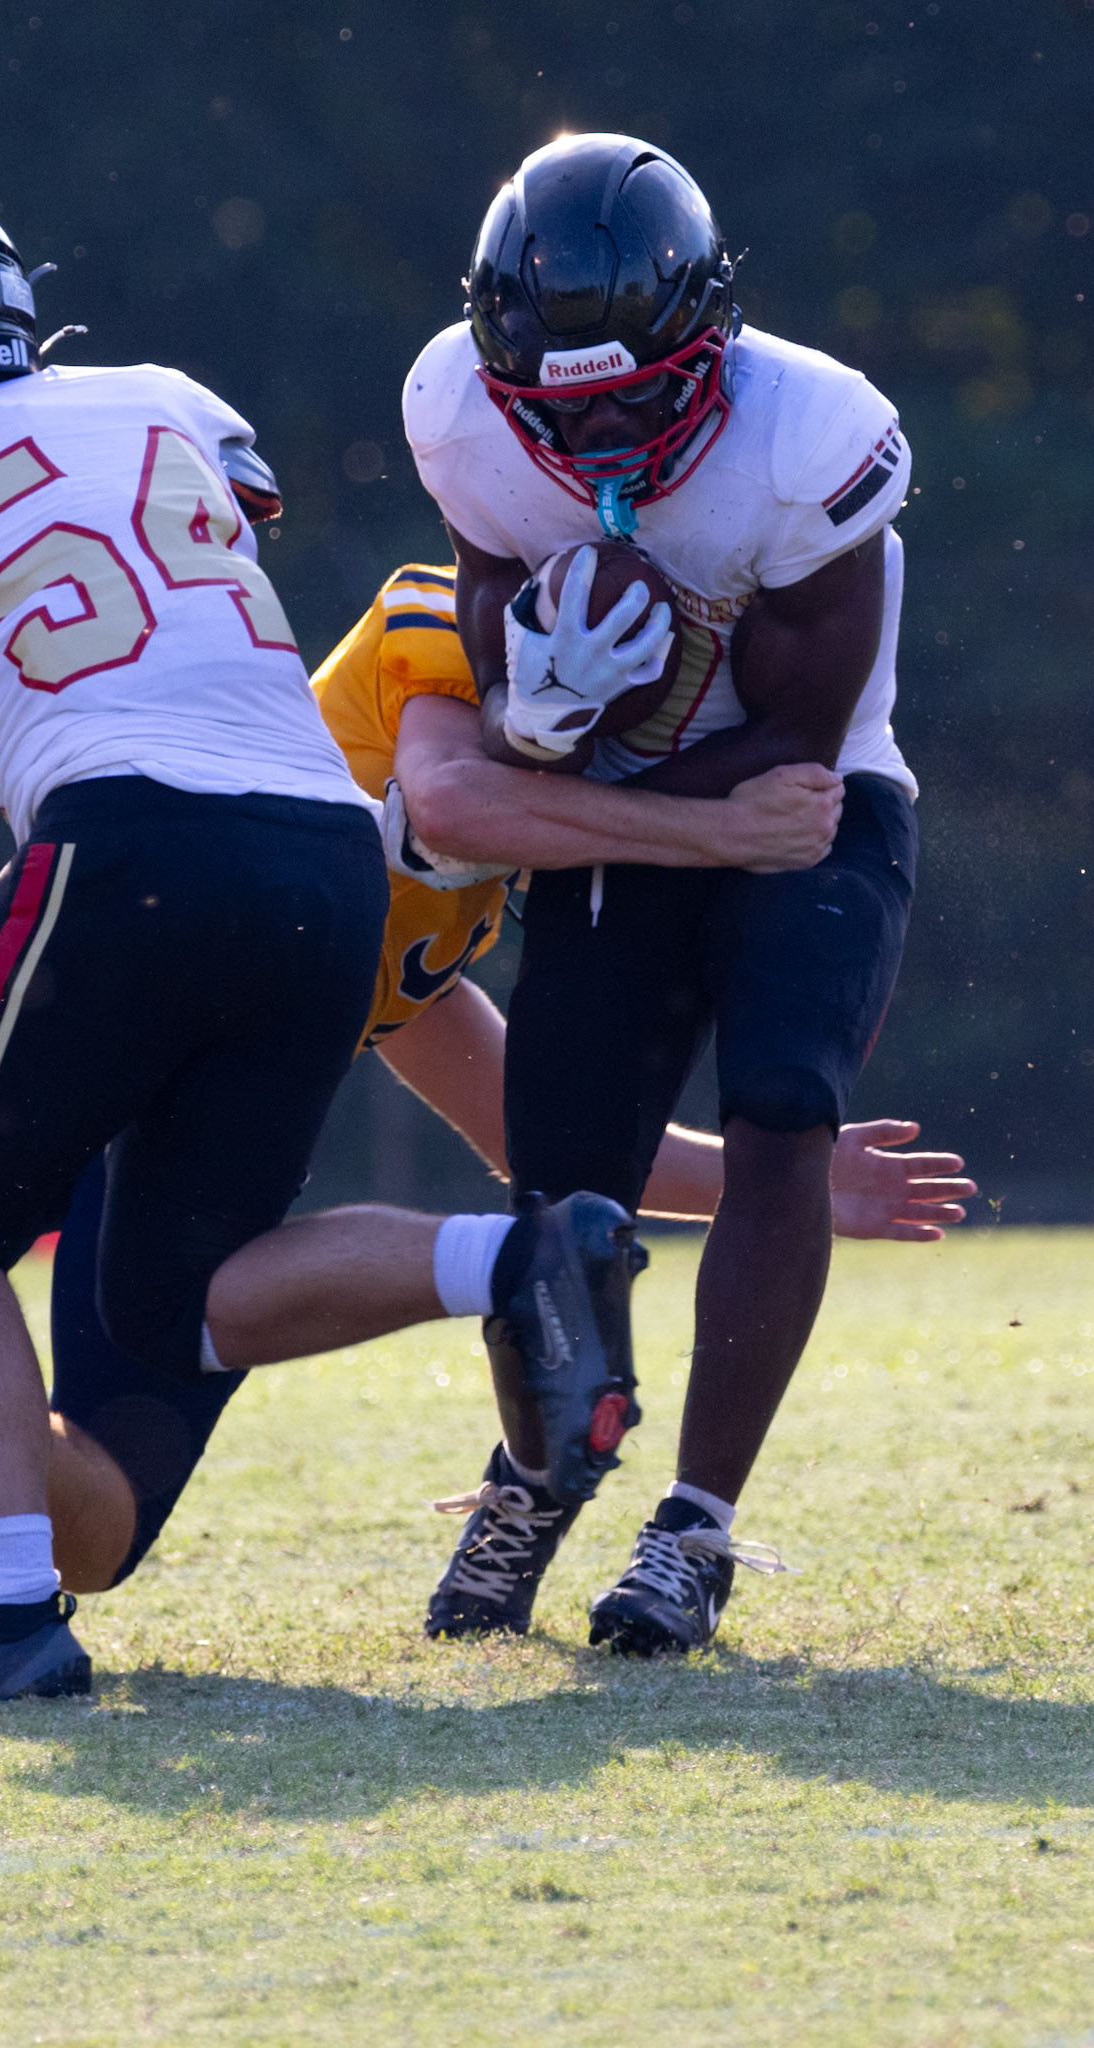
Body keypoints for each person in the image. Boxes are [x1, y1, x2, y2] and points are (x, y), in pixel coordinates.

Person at [0, 532, 966, 1696]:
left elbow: (503, 1107)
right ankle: (2, 1471)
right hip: (170, 1042)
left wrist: (772, 1184)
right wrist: (713, 830)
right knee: (109, 1460)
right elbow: (451, 793)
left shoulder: (447, 874)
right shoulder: (435, 654)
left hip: (73, 985)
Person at [403, 132, 926, 1653]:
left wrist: (576, 787)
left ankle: (693, 1527)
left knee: (781, 1110)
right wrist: (539, 714)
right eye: (565, 405)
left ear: (712, 338)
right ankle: (538, 1475)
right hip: (626, 812)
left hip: (811, 799)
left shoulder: (810, 438)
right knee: (561, 1175)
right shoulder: (459, 411)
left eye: (638, 395)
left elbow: (796, 754)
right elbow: (495, 636)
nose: (602, 433)